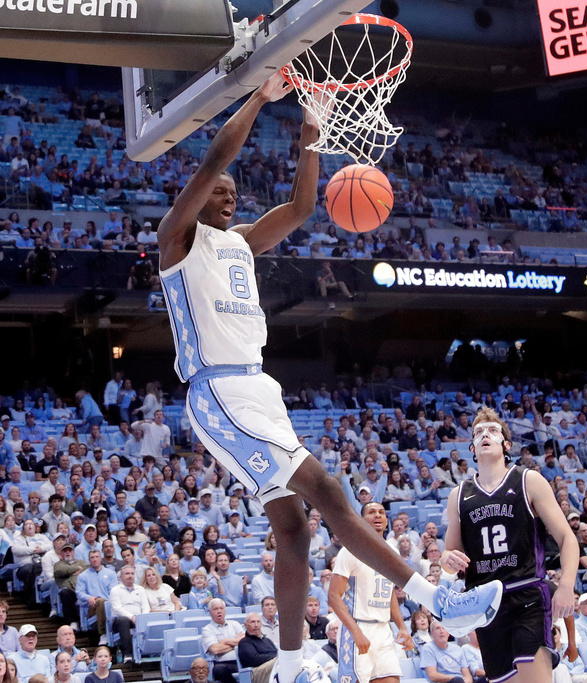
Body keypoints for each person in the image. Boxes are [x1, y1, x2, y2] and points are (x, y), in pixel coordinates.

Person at [155, 70, 500, 683]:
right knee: (333, 494)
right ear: (197, 197)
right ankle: (437, 600)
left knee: (295, 528)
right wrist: (260, 98)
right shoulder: (177, 240)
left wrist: (311, 128)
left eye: (235, 194)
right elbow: (213, 159)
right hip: (218, 392)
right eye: (220, 193)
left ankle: (288, 667)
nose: (229, 198)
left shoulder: (239, 243)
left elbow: (304, 207)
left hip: (259, 390)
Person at [441, 407, 579, 683]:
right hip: (485, 604)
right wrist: (448, 559)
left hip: (527, 594)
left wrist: (565, 586)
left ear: (506, 444)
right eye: (478, 432)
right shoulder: (459, 495)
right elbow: (448, 553)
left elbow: (567, 538)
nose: (485, 435)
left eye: (492, 430)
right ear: (472, 447)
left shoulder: (529, 480)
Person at [328, 501, 413, 683]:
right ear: (361, 519)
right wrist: (356, 632)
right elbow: (334, 597)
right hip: (358, 626)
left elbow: (389, 591)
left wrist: (402, 627)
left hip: (383, 629)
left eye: (381, 512)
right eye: (372, 512)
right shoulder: (350, 550)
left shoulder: (392, 551)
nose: (377, 515)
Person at [109, 565, 149, 663]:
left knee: (151, 619)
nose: (130, 576)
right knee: (123, 621)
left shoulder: (141, 589)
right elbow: (117, 608)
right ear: (121, 576)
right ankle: (127, 653)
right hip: (120, 620)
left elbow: (146, 606)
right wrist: (132, 617)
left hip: (138, 619)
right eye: (127, 574)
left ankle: (148, 651)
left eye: (132, 573)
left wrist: (142, 617)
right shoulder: (115, 590)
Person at [203, 599, 244, 683]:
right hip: (222, 663)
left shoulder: (235, 624)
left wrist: (225, 641)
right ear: (210, 612)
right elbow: (215, 650)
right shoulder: (207, 629)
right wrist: (235, 643)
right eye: (215, 609)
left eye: (221, 608)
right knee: (220, 670)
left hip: (241, 660)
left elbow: (244, 642)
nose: (219, 611)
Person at [238, 612, 277, 683]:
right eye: (252, 622)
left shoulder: (267, 640)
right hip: (256, 672)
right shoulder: (244, 642)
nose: (256, 625)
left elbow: (276, 654)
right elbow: (254, 659)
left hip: (272, 668)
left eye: (258, 622)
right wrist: (274, 658)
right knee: (277, 662)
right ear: (246, 625)